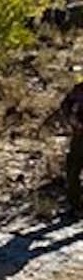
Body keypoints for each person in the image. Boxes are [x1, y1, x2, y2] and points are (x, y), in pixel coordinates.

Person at [53, 75, 83, 217]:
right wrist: (71, 121)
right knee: (73, 171)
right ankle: (75, 207)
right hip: (79, 137)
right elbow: (65, 106)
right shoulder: (78, 90)